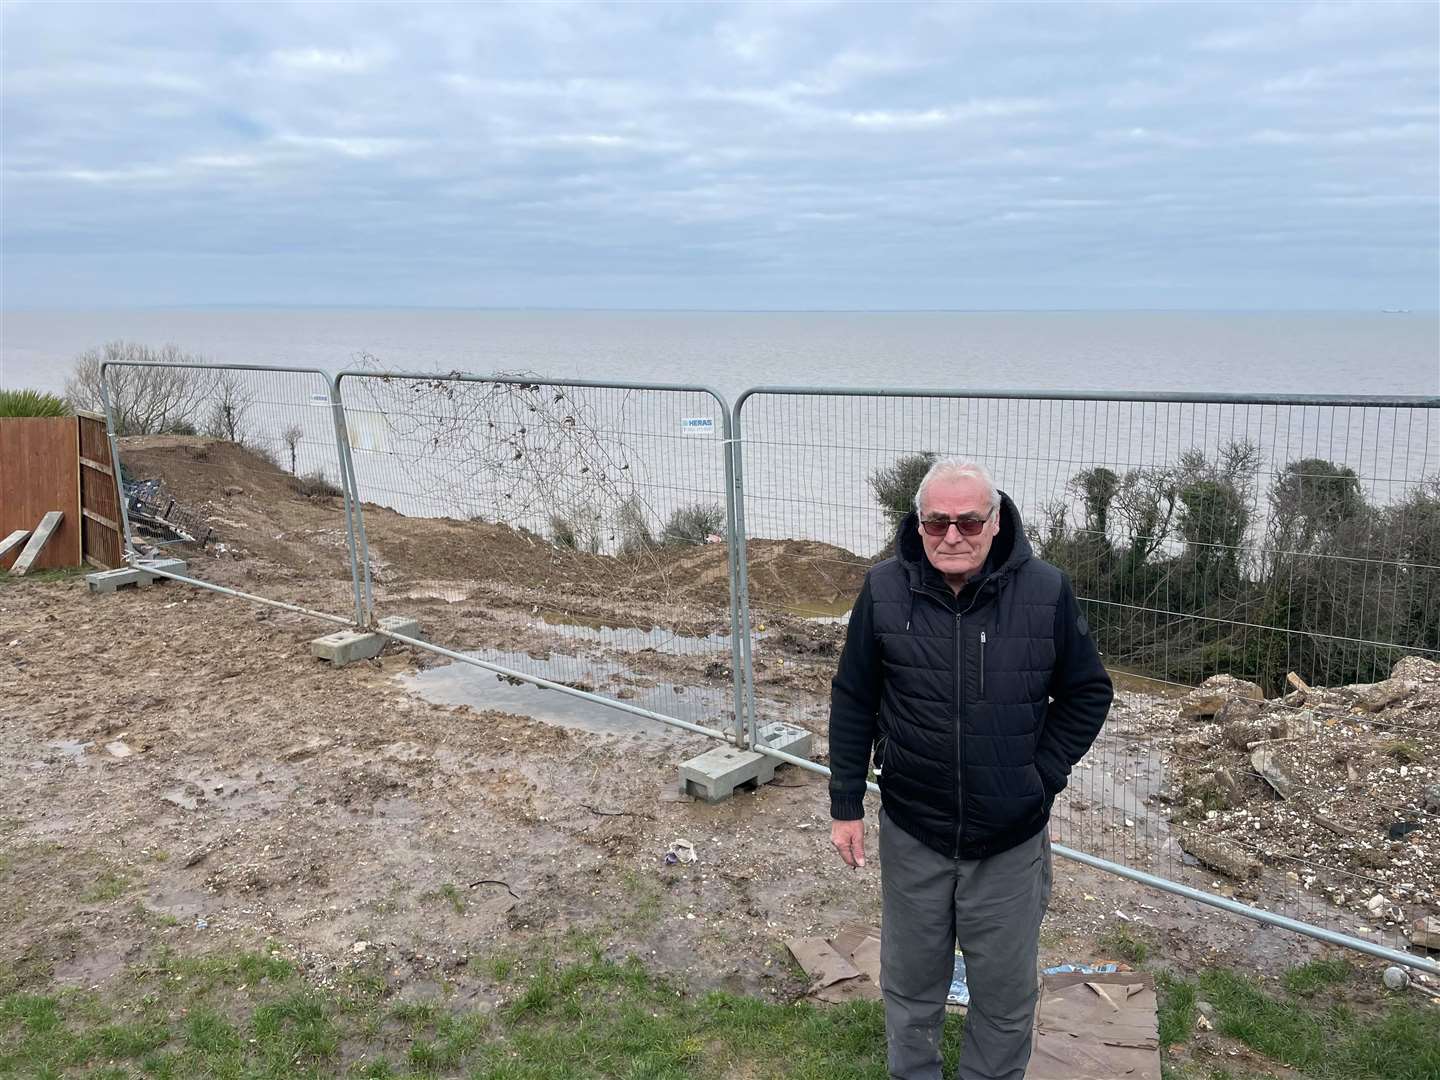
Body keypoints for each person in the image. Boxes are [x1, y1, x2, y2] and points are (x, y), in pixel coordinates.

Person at [828, 457, 1112, 1080]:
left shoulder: (1046, 591)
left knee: (1006, 999)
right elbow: (853, 698)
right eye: (936, 523)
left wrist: (1039, 775)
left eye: (968, 521)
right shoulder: (882, 590)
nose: (952, 536)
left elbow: (1088, 691)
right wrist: (846, 804)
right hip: (913, 831)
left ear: (996, 519)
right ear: (918, 523)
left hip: (1010, 841)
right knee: (909, 987)